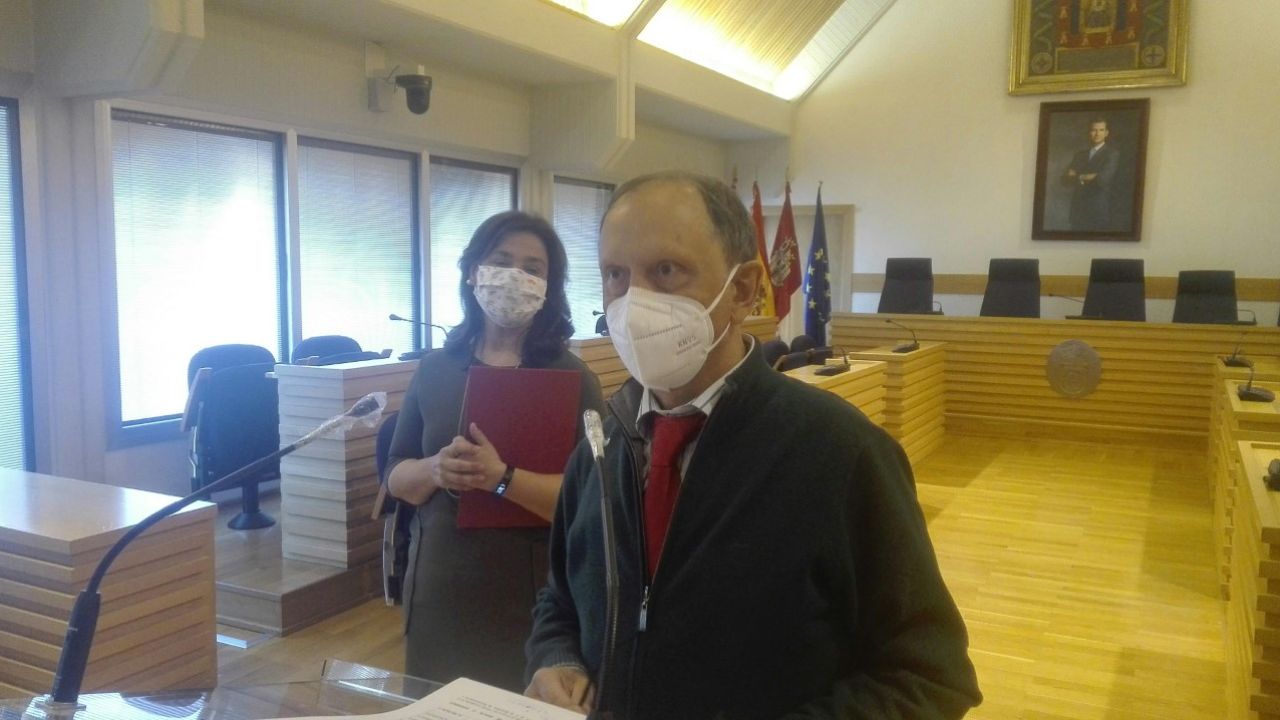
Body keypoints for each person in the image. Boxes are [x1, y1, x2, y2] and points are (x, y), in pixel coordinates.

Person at [524, 171, 982, 719]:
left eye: (666, 270)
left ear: (741, 290)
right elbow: (562, 596)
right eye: (615, 274)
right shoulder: (601, 446)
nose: (633, 300)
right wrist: (555, 656)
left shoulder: (840, 454)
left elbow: (930, 676)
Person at [387, 210, 604, 691]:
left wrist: (502, 479)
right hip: (438, 591)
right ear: (473, 272)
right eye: (501, 261)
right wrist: (435, 469)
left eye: (532, 268)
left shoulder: (573, 378)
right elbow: (396, 476)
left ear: (548, 286)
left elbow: (595, 503)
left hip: (532, 600)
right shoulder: (434, 368)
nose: (514, 276)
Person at [1063, 118, 1120, 231]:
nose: (1097, 134)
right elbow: (1065, 180)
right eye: (1094, 130)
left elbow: (1102, 179)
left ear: (1106, 133)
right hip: (1078, 211)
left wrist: (1077, 176)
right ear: (1089, 132)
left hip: (1097, 211)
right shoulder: (1080, 155)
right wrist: (1087, 176)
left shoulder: (1112, 154)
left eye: (1101, 130)